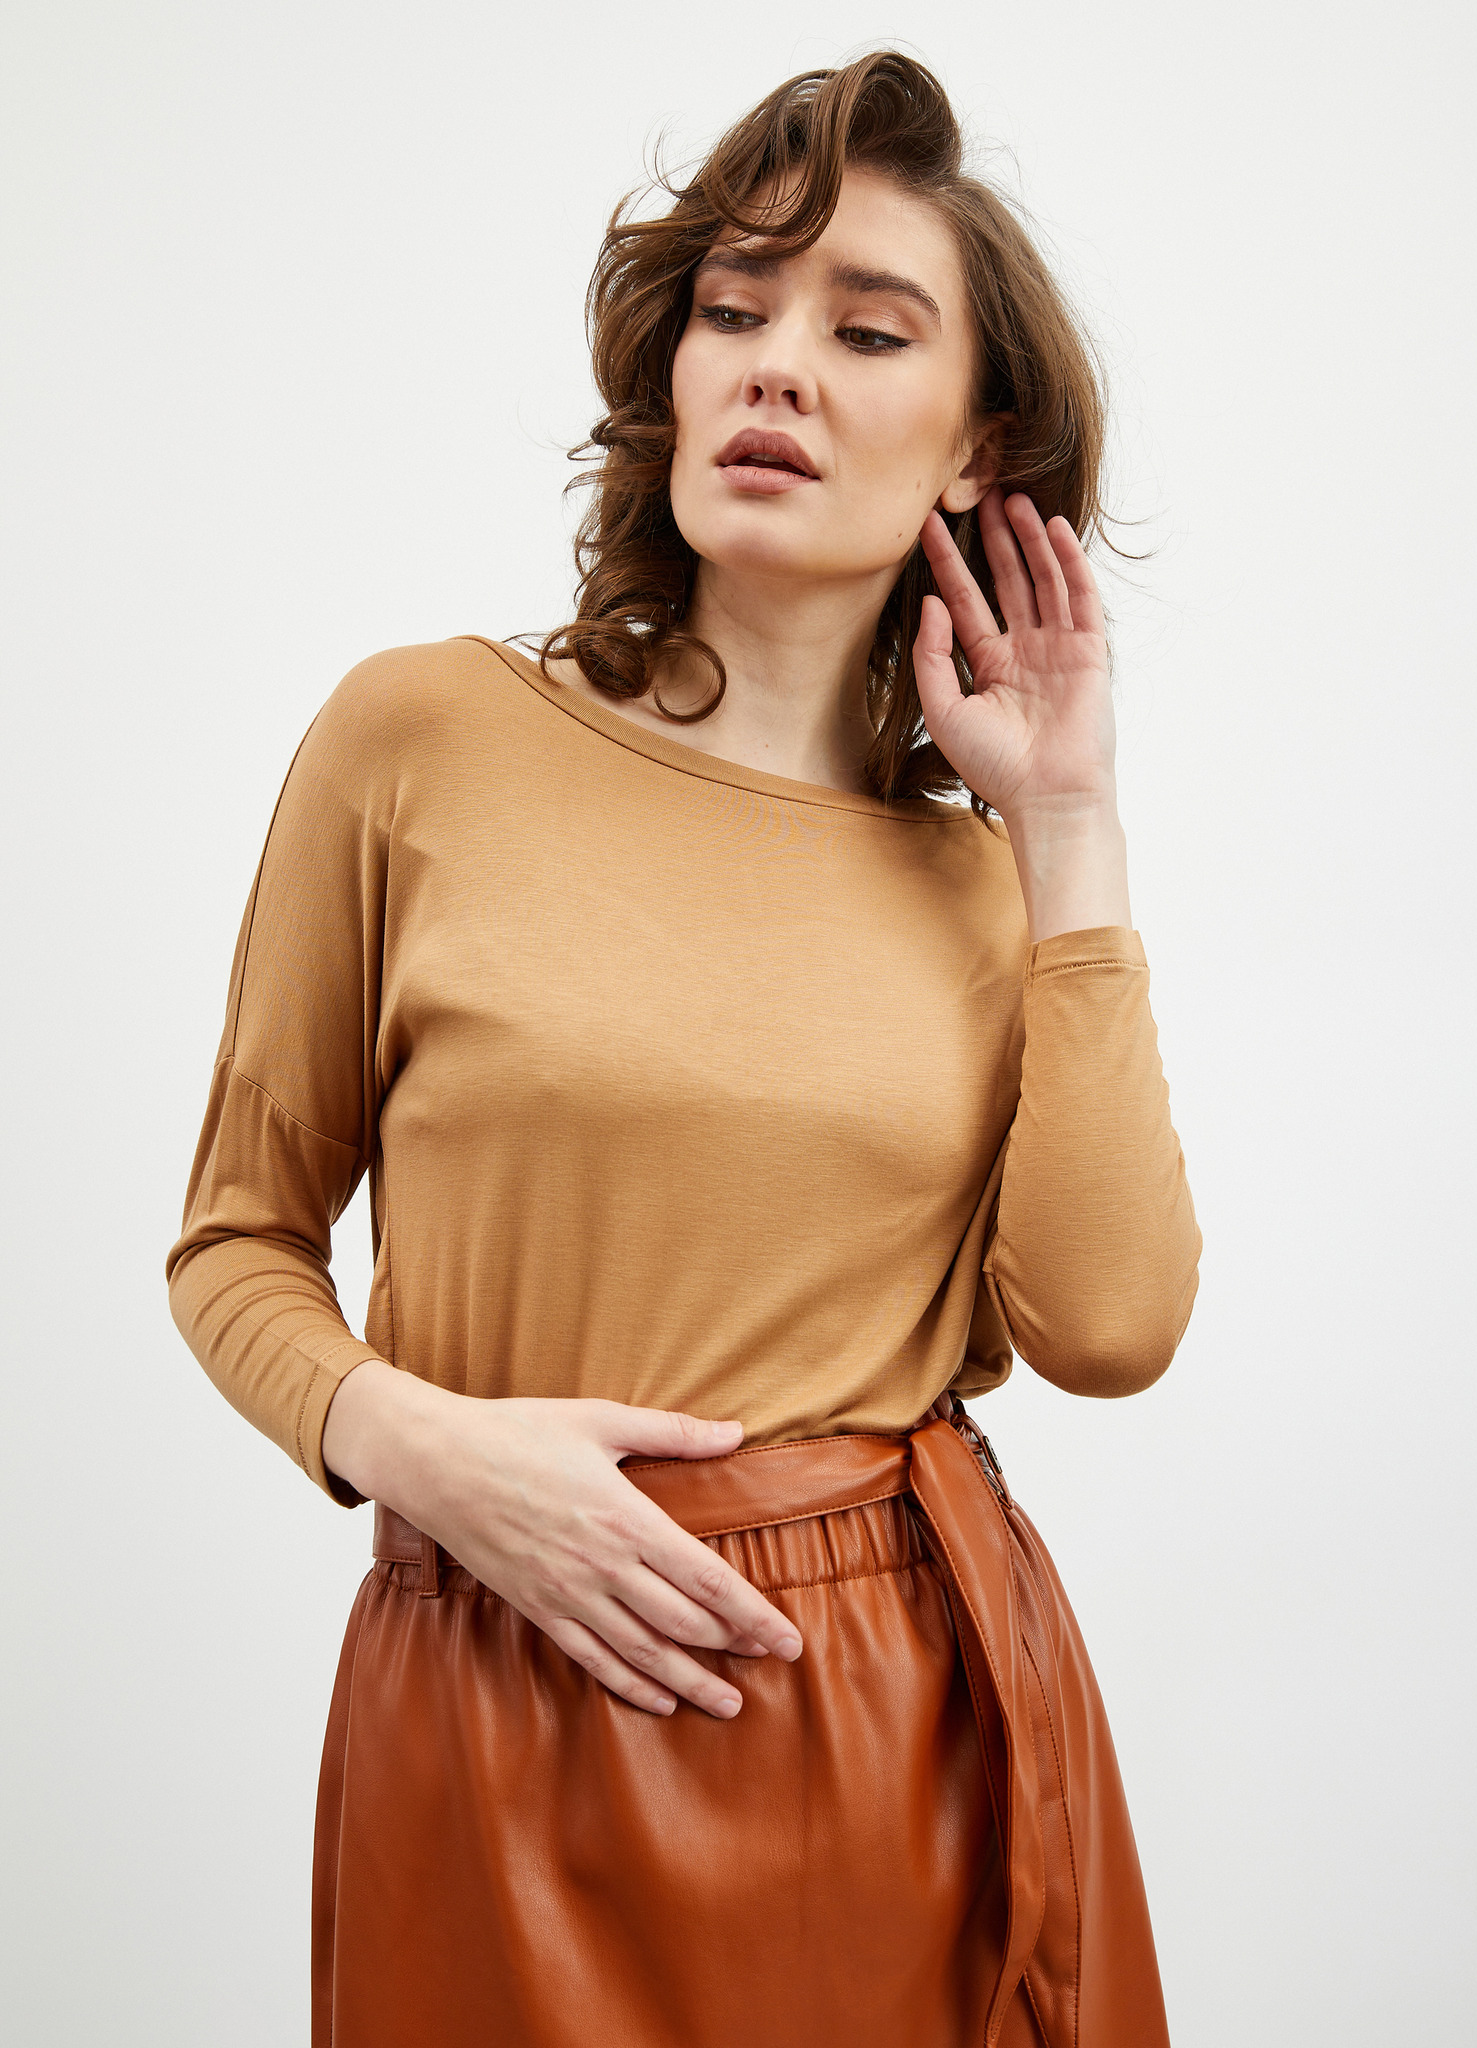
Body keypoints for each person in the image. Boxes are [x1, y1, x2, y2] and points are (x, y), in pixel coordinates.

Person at [166, 50, 1201, 2048]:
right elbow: (234, 1243)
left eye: (866, 331)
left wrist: (1068, 832)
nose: (776, 367)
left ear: (978, 447)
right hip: (486, 1691)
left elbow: (1111, 1326)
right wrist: (419, 1448)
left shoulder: (993, 892)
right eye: (734, 311)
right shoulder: (421, 739)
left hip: (886, 1717)